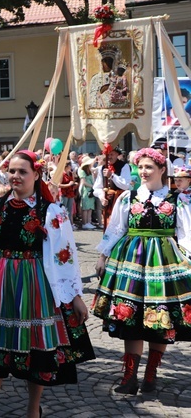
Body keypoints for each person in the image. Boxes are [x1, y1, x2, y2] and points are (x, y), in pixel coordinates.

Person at [0, 150, 94, 418]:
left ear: (36, 175)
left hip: (35, 282)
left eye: (22, 171)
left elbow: (65, 255)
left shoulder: (51, 211)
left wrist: (75, 296)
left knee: (36, 349)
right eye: (11, 171)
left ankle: (33, 409)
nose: (15, 176)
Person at [92, 148, 191, 394]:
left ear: (161, 170)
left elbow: (187, 234)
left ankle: (151, 374)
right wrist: (103, 256)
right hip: (131, 261)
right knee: (131, 317)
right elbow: (115, 229)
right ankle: (129, 377)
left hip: (164, 262)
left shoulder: (177, 199)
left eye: (149, 167)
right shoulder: (128, 197)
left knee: (160, 318)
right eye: (141, 167)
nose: (143, 172)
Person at [93, 146, 131, 229]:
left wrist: (112, 176)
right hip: (108, 202)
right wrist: (102, 197)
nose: (109, 157)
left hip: (120, 200)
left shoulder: (124, 166)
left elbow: (125, 185)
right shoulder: (101, 168)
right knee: (108, 226)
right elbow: (97, 188)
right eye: (107, 154)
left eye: (112, 154)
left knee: (120, 226)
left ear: (117, 154)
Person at [78, 156, 96, 230]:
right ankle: (84, 223)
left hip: (91, 189)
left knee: (90, 207)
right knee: (85, 208)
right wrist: (92, 186)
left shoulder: (89, 170)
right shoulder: (82, 170)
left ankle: (89, 222)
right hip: (86, 190)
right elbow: (83, 182)